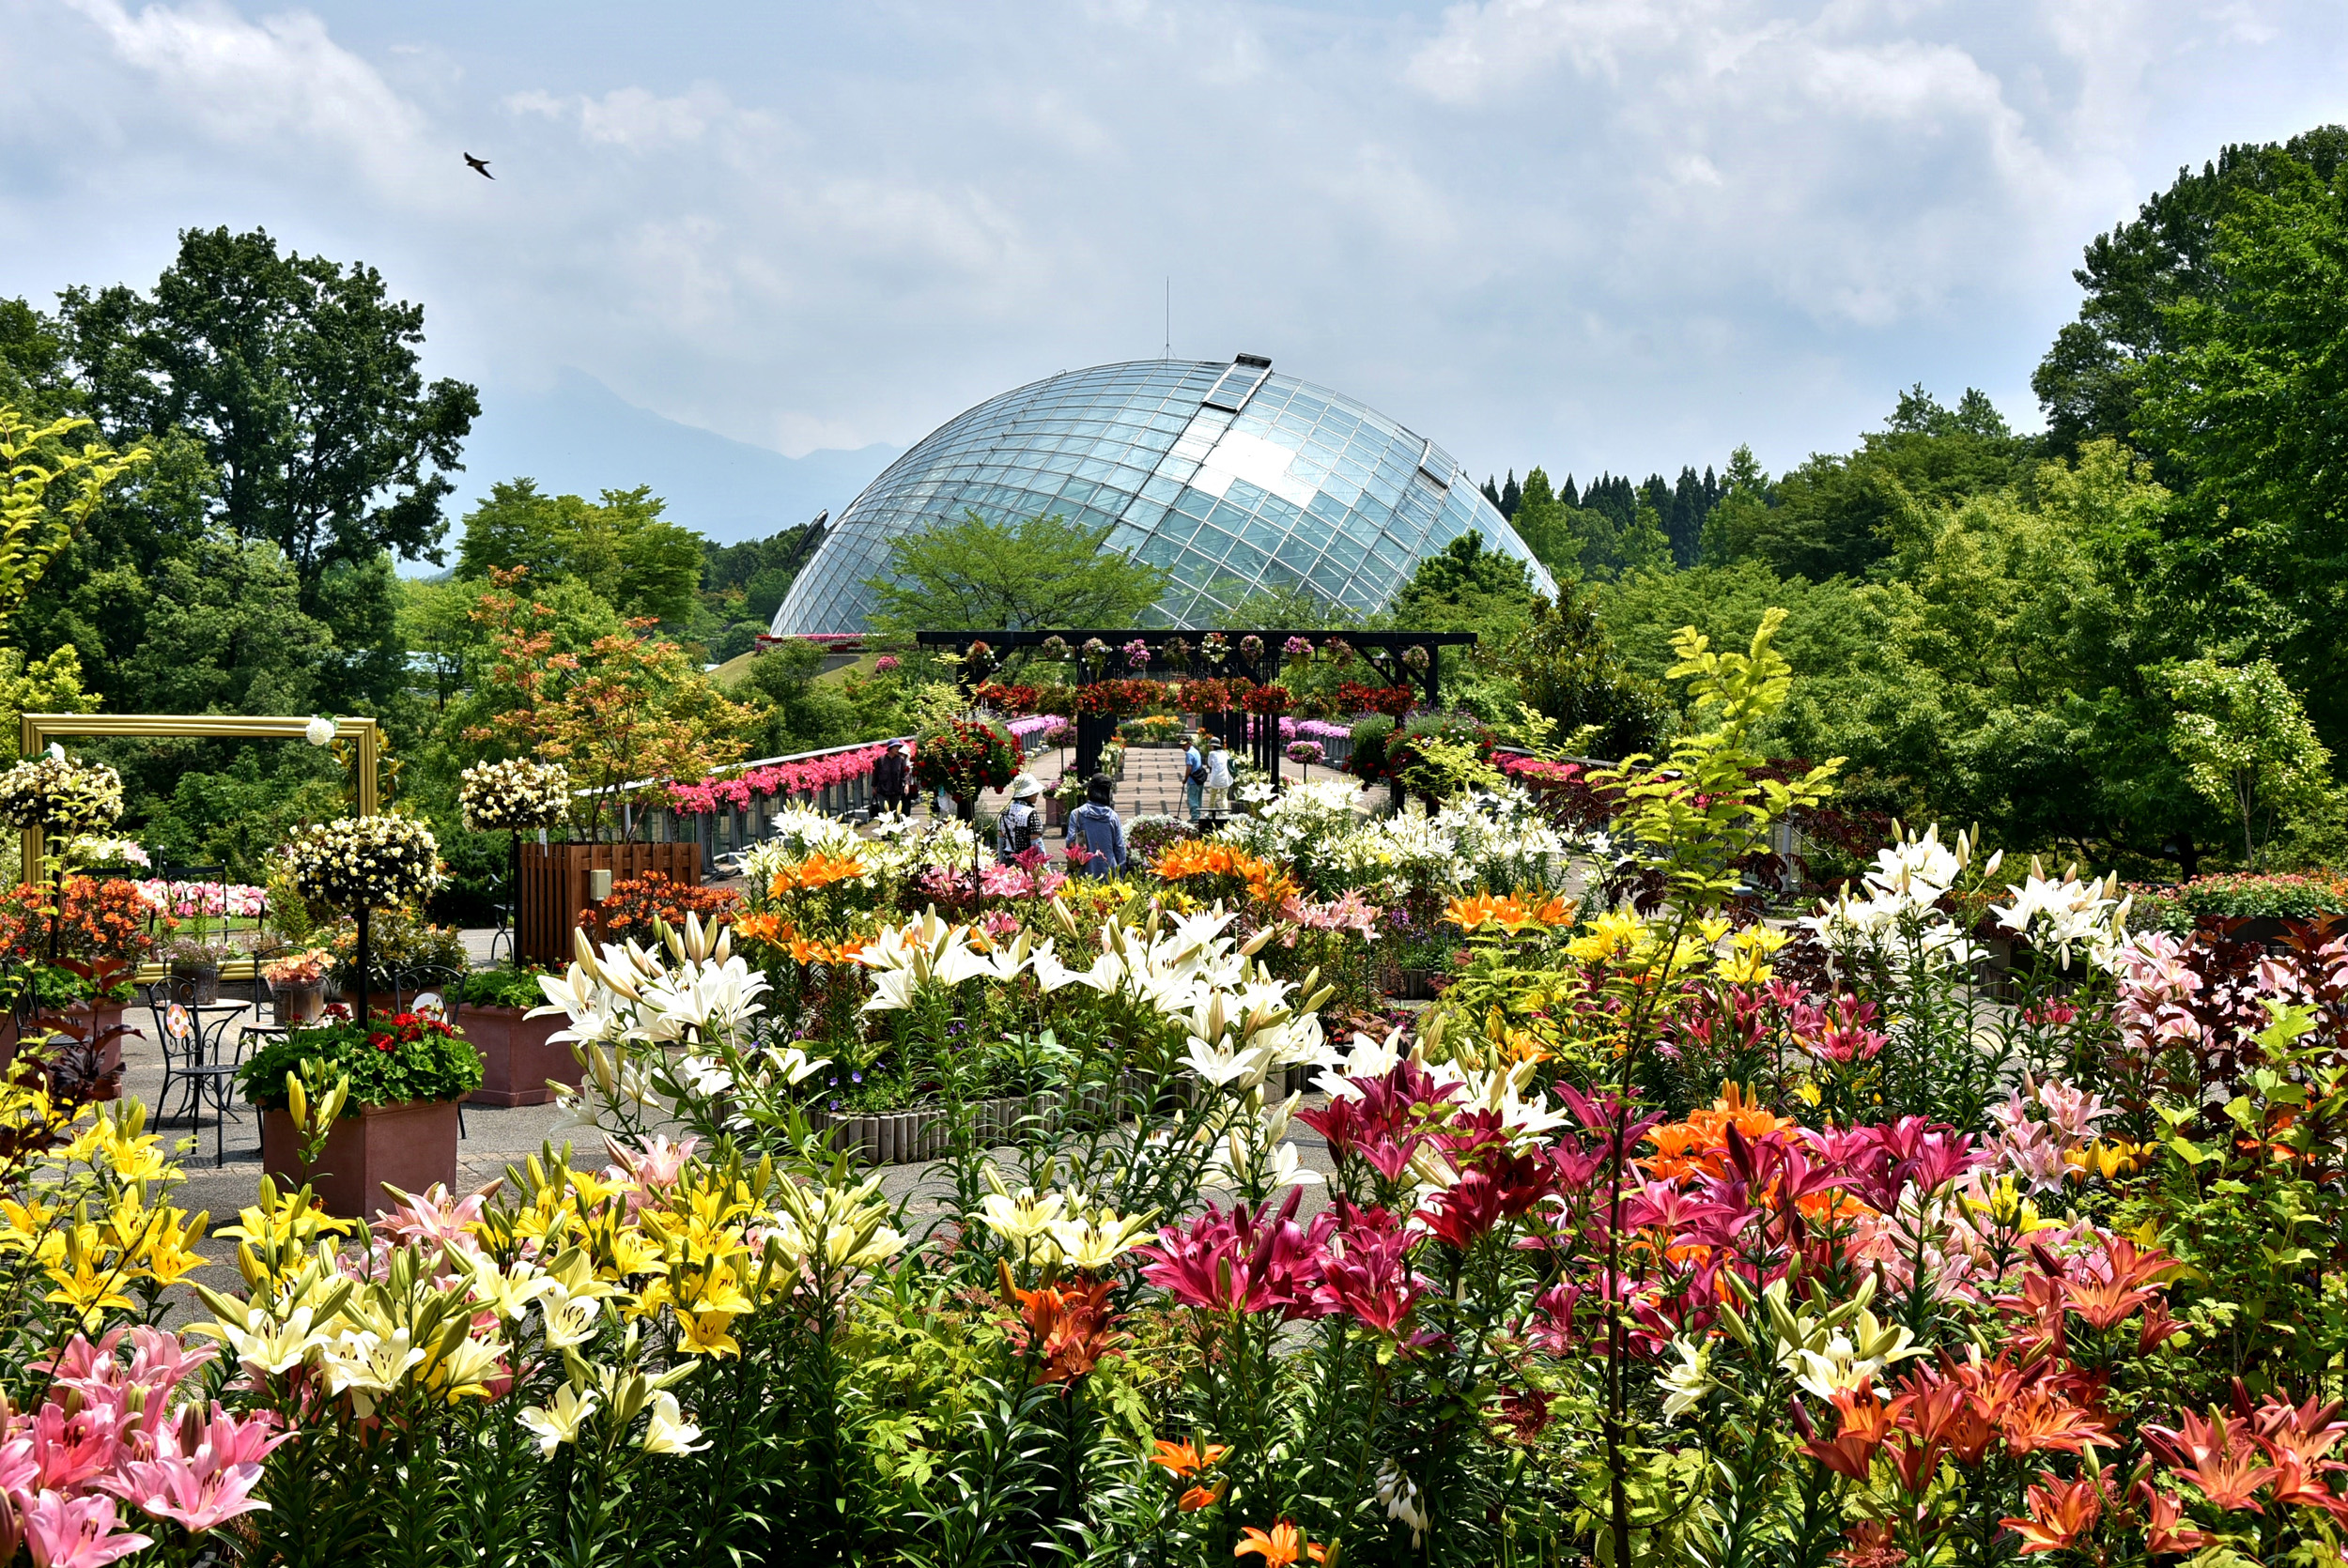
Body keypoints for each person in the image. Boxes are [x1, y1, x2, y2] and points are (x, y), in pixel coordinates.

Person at [1068, 775, 1127, 878]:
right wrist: (1121, 873)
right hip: (1109, 873)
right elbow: (1119, 847)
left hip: (1083, 872)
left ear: (1090, 791)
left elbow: (1070, 841)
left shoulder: (1077, 814)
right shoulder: (1113, 817)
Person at [996, 773, 1043, 861]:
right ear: (1027, 795)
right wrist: (1045, 868)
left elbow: (1000, 840)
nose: (1037, 794)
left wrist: (1000, 862)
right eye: (1034, 792)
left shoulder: (1005, 813)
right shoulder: (1031, 813)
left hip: (1008, 862)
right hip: (1026, 863)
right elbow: (1036, 843)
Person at [872, 739, 910, 817]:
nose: (897, 749)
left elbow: (905, 773)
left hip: (896, 790)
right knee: (884, 812)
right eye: (895, 747)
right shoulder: (881, 760)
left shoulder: (901, 760)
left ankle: (894, 829)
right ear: (890, 748)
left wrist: (906, 784)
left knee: (895, 812)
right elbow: (876, 774)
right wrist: (874, 786)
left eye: (898, 747)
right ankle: (884, 828)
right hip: (883, 790)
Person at [1203, 740, 1233, 820]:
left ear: (1214, 746)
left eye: (1210, 745)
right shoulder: (1225, 753)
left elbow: (1209, 764)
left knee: (1212, 796)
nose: (1209, 747)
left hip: (1215, 778)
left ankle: (1210, 813)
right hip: (1224, 778)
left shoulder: (1212, 754)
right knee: (1224, 797)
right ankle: (1225, 813)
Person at [1182, 732, 1207, 823]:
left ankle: (1195, 816)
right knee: (1198, 797)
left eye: (1184, 745)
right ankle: (1197, 814)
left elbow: (1189, 767)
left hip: (1193, 780)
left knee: (1192, 798)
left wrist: (1185, 779)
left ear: (1189, 743)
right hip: (1199, 778)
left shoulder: (1189, 753)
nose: (1182, 748)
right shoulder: (1196, 751)